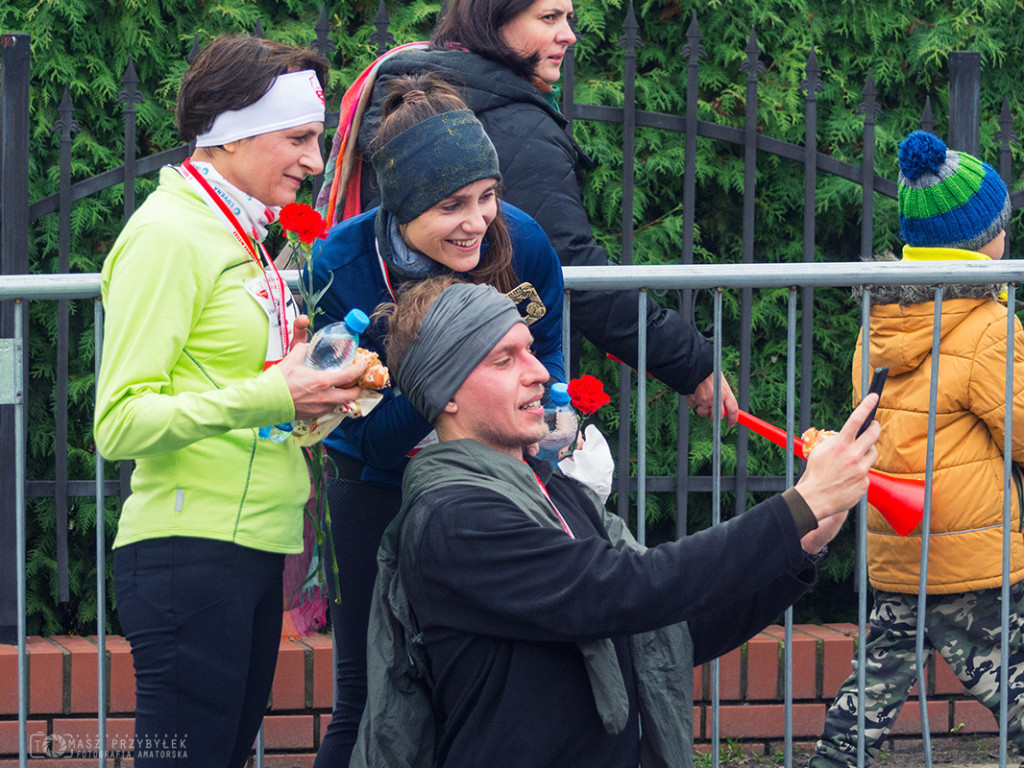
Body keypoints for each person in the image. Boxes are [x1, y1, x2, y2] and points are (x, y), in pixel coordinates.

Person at [349, 276, 881, 768]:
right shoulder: (452, 520)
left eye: (529, 350)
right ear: (446, 392)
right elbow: (623, 590)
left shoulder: (556, 491)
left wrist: (805, 539)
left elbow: (669, 626)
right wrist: (797, 505)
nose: (539, 372)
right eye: (504, 359)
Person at [93, 35, 365, 768]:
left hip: (250, 547)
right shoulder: (168, 233)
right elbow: (119, 421)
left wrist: (309, 396)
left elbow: (237, 394)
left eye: (316, 139)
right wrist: (275, 391)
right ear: (234, 135)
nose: (316, 161)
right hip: (191, 550)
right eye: (298, 139)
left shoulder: (236, 230)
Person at [307, 74, 565, 767]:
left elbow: (550, 360)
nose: (477, 222)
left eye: (487, 196)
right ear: (400, 202)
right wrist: (445, 376)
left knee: (493, 684)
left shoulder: (524, 242)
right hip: (375, 486)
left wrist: (555, 417)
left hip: (495, 485)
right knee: (369, 696)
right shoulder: (342, 261)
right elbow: (358, 432)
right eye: (452, 205)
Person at [338, 0, 739, 426]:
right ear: (492, 20)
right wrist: (690, 362)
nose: (569, 35)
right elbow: (574, 270)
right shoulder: (515, 123)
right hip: (487, 407)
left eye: (568, 18)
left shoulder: (417, 98)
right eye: (549, 18)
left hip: (406, 383)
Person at [811, 130, 1024, 768]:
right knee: (1015, 682)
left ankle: (835, 758)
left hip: (899, 540)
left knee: (874, 685)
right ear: (984, 242)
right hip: (971, 554)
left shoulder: (880, 321)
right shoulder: (989, 326)